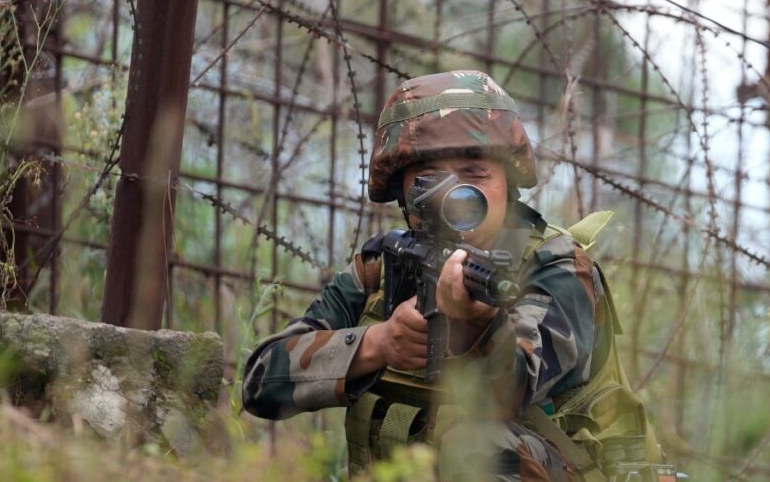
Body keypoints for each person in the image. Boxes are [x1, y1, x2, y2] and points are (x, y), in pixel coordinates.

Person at [242, 70, 667, 481]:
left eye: (476, 174)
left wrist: (476, 322)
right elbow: (261, 383)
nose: (458, 195)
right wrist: (376, 344)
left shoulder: (557, 268)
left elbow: (508, 391)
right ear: (402, 190)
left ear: (507, 181)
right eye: (432, 179)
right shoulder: (382, 265)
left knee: (477, 442)